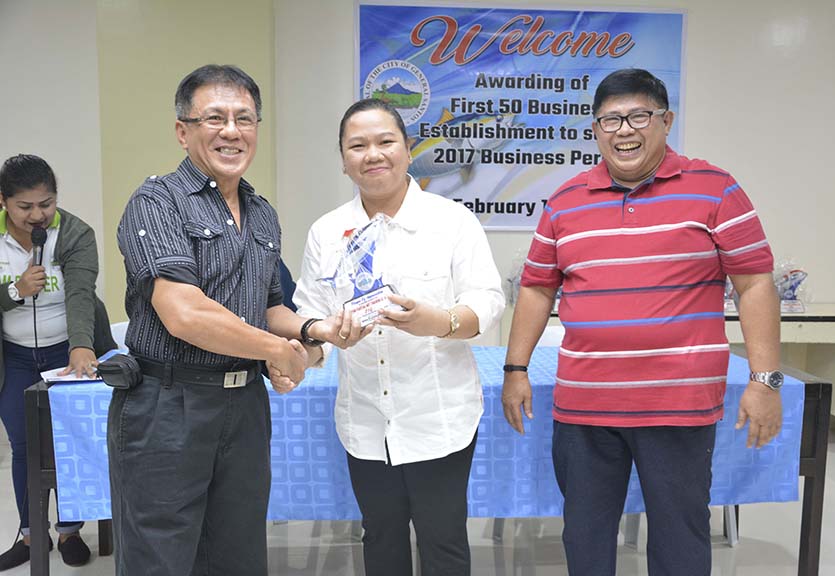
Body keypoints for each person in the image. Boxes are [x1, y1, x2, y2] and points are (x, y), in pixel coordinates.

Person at [502, 69, 782, 576]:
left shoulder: (715, 189)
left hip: (678, 406)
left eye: (638, 116)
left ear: (665, 120)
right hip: (585, 407)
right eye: (610, 119)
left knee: (680, 539)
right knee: (585, 538)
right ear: (594, 128)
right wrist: (515, 369)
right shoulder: (565, 202)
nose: (623, 130)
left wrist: (765, 380)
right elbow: (539, 287)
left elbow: (755, 284)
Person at [110, 64, 361, 576]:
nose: (232, 131)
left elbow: (270, 309)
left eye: (244, 119)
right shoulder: (156, 203)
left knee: (238, 552)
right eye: (215, 118)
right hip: (168, 407)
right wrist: (276, 352)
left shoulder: (262, 213)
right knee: (162, 556)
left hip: (244, 406)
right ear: (183, 131)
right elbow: (184, 313)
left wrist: (316, 331)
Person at [293, 98, 504, 576]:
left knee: (444, 541)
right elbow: (309, 311)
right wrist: (322, 338)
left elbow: (488, 302)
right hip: (366, 420)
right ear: (344, 159)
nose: (373, 154)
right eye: (358, 145)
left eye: (386, 142)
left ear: (408, 149)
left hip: (439, 417)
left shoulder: (451, 220)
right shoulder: (328, 232)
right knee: (381, 539)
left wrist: (441, 322)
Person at [0, 154, 109, 570]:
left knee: (68, 442)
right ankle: (30, 536)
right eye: (25, 206)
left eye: (45, 203)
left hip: (66, 349)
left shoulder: (75, 232)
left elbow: (81, 291)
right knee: (24, 446)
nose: (37, 215)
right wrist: (13, 292)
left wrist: (81, 345)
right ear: (4, 202)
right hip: (12, 358)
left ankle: (69, 531)